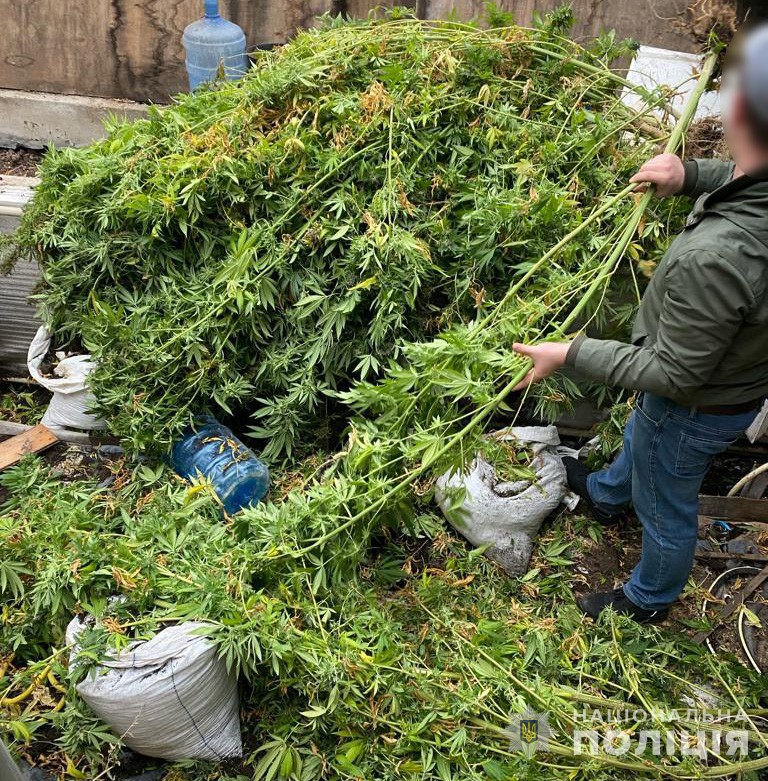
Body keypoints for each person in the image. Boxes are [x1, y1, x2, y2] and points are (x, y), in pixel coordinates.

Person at [511, 25, 768, 625]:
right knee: (643, 439)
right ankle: (606, 495)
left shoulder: (719, 258)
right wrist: (691, 176)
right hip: (732, 383)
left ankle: (648, 598)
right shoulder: (753, 196)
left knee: (665, 498)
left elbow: (674, 375)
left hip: (696, 403)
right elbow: (744, 181)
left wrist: (570, 353)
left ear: (738, 114)